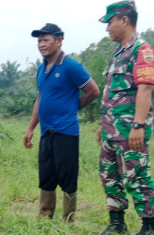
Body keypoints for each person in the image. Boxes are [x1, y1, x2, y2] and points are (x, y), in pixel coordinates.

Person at [95, 0, 154, 235]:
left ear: (124, 20)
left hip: (129, 128)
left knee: (137, 174)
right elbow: (110, 93)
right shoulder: (116, 54)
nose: (107, 28)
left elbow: (145, 89)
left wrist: (138, 125)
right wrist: (102, 125)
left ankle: (150, 225)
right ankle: (116, 223)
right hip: (110, 129)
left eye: (109, 22)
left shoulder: (142, 50)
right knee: (109, 175)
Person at [24, 23, 100, 221]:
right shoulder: (41, 69)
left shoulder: (71, 66)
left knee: (68, 176)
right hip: (46, 132)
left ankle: (69, 219)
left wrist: (72, 108)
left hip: (66, 131)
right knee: (46, 175)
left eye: (46, 40)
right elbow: (40, 99)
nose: (41, 44)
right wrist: (31, 128)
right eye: (39, 41)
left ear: (59, 40)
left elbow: (93, 91)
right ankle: (45, 215)